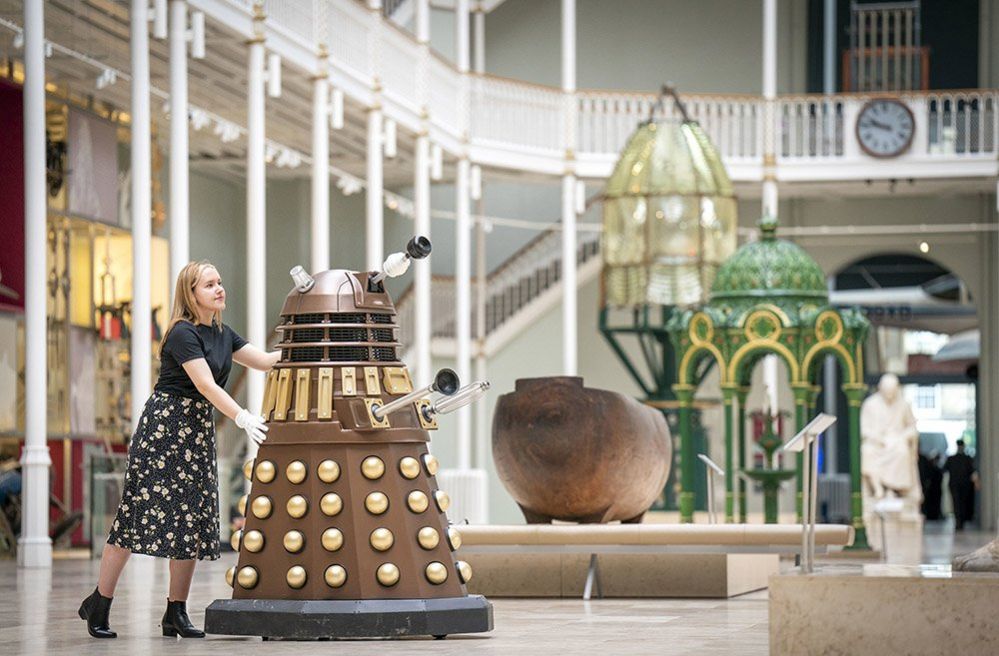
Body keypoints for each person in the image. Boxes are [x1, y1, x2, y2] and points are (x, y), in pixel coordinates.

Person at [78, 261, 279, 639]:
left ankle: (175, 613)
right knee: (134, 518)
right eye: (210, 284)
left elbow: (266, 362)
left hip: (196, 432)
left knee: (190, 522)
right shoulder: (181, 333)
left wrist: (307, 343)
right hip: (165, 429)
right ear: (191, 294)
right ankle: (99, 603)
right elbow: (204, 384)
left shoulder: (222, 332)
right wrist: (241, 417)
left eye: (220, 282)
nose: (219, 289)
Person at [945, 439, 979, 531]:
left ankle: (958, 522)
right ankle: (961, 522)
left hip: (954, 484)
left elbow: (944, 469)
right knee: (963, 503)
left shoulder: (951, 459)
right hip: (964, 484)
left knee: (956, 503)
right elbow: (973, 472)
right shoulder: (967, 459)